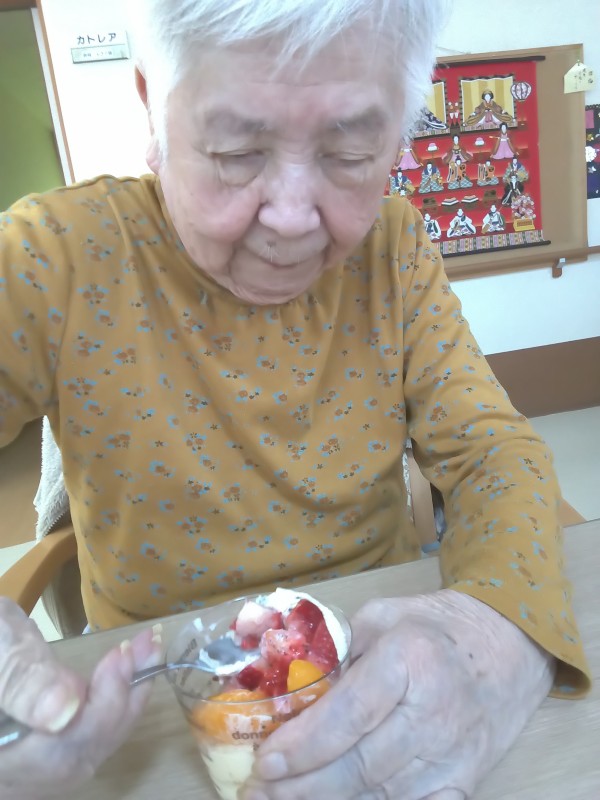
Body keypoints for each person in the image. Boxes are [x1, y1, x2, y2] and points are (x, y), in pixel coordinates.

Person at [0, 0, 591, 798]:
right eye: (236, 152)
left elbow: (493, 451)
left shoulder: (392, 248)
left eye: (349, 154)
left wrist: (495, 635)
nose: (290, 216)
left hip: (369, 673)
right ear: (151, 106)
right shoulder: (55, 258)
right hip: (161, 716)